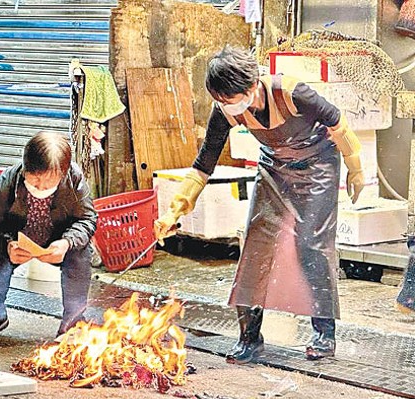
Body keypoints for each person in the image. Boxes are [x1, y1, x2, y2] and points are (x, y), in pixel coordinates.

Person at [154, 46, 365, 363]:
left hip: (317, 166)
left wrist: (356, 166)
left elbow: (337, 123)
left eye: (230, 98)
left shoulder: (292, 91)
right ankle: (250, 338)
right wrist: (175, 208)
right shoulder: (225, 109)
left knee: (311, 245)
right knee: (256, 248)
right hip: (274, 168)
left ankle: (324, 335)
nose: (227, 106)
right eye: (221, 100)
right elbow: (203, 165)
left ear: (251, 86)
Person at [0, 131, 98, 339]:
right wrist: (7, 244)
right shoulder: (3, 185)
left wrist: (66, 242)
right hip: (16, 240)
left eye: (49, 181)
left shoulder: (74, 181)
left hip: (56, 240)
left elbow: (86, 219)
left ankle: (73, 320)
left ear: (63, 174)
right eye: (35, 178)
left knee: (80, 253)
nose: (40, 186)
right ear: (25, 169)